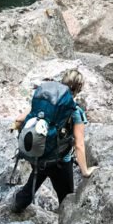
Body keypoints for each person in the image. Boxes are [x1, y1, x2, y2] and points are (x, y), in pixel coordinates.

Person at [9, 68, 96, 213]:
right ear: (78, 89)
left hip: (39, 154)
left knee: (34, 181)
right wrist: (85, 171)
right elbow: (79, 145)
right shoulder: (75, 111)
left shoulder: (45, 101)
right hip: (60, 162)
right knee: (67, 197)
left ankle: (17, 205)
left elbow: (19, 119)